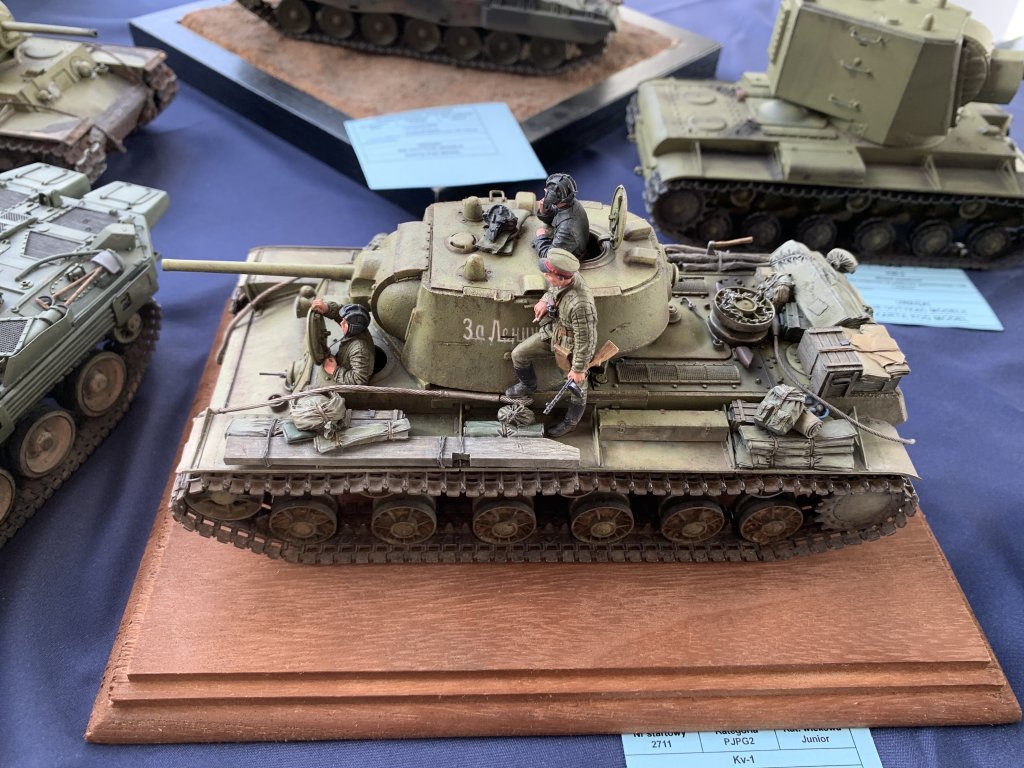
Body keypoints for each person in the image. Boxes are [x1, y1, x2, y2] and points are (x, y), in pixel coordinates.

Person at [505, 248, 597, 437]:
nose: (546, 276)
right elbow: (554, 289)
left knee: (577, 387)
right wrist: (545, 301)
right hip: (554, 333)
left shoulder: (580, 304)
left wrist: (578, 369)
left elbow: (586, 339)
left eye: (549, 274)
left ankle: (571, 422)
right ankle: (528, 385)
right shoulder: (567, 277)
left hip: (570, 346)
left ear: (562, 277)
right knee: (519, 354)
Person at [310, 299, 374, 385]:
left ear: (353, 328)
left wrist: (334, 370)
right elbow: (341, 312)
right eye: (343, 320)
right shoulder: (358, 325)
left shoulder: (360, 350)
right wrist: (327, 308)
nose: (341, 323)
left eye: (345, 323)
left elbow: (360, 379)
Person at [532, 173, 590, 262]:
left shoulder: (567, 228)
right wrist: (545, 212)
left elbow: (550, 257)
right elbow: (558, 216)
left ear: (552, 196)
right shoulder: (570, 202)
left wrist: (541, 237)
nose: (545, 193)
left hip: (570, 259)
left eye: (547, 191)